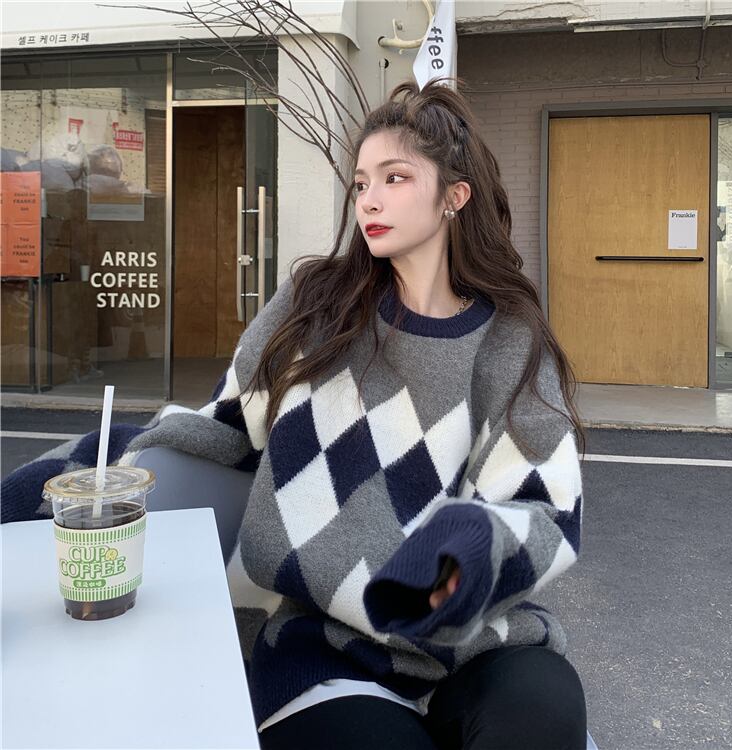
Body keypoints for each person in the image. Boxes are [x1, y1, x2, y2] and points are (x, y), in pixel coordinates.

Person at [2, 78, 589, 749]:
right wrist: (45, 486)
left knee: (543, 717)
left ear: (455, 197)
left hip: (479, 643)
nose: (369, 198)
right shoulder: (317, 307)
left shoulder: (509, 338)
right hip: (327, 649)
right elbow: (218, 428)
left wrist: (465, 550)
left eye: (395, 177)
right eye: (361, 182)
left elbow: (544, 506)